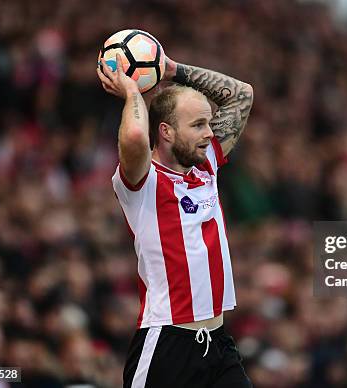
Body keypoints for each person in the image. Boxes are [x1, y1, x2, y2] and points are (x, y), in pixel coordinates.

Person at [97, 47, 254, 388]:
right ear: (166, 132)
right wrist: (133, 93)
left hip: (218, 343)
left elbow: (242, 95)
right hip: (167, 342)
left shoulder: (206, 167)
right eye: (198, 125)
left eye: (209, 124)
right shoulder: (143, 182)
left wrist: (170, 69)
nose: (210, 133)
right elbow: (137, 135)